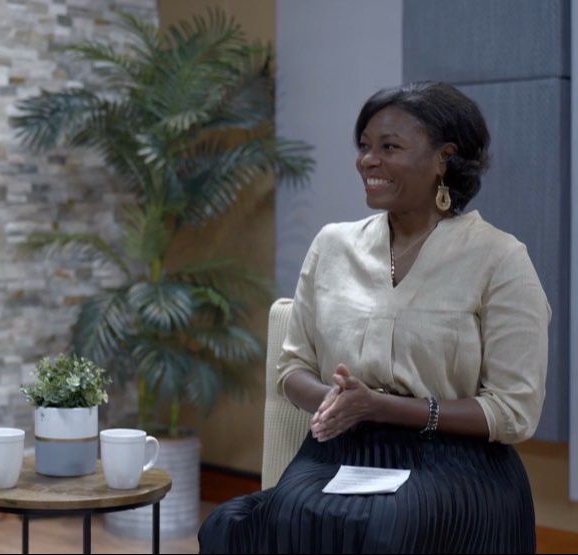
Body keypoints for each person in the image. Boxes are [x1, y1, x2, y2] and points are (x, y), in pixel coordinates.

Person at [199, 81, 550, 554]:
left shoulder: (500, 258)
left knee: (387, 528)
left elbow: (513, 412)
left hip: (453, 460)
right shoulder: (332, 245)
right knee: (233, 526)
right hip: (340, 449)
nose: (368, 160)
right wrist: (342, 403)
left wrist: (383, 407)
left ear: (444, 158)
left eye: (389, 147)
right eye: (364, 146)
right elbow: (292, 369)